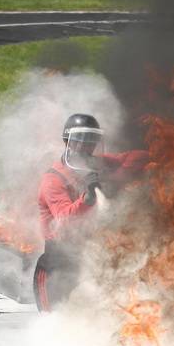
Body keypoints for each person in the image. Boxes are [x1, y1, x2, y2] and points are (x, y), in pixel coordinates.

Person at [33, 113, 148, 312]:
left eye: (91, 141)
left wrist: (114, 179)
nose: (86, 147)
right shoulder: (54, 179)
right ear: (68, 142)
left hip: (90, 257)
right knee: (54, 319)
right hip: (58, 263)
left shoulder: (99, 164)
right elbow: (64, 222)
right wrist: (86, 200)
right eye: (80, 140)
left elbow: (139, 157)